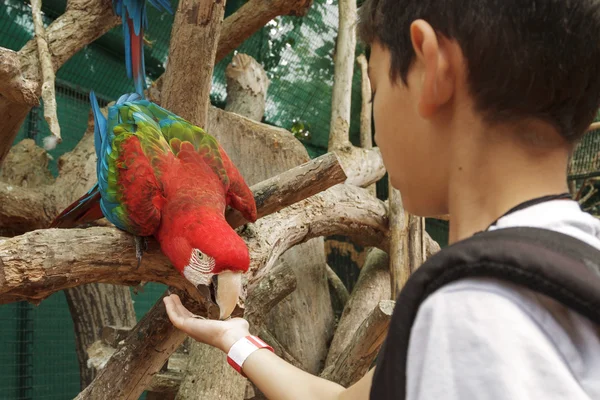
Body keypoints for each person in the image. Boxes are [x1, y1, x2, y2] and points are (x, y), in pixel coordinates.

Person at [163, 0, 600, 398]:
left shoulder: (469, 319)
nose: (374, 116)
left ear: (431, 71)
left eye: (373, 86)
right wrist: (234, 339)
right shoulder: (574, 268)